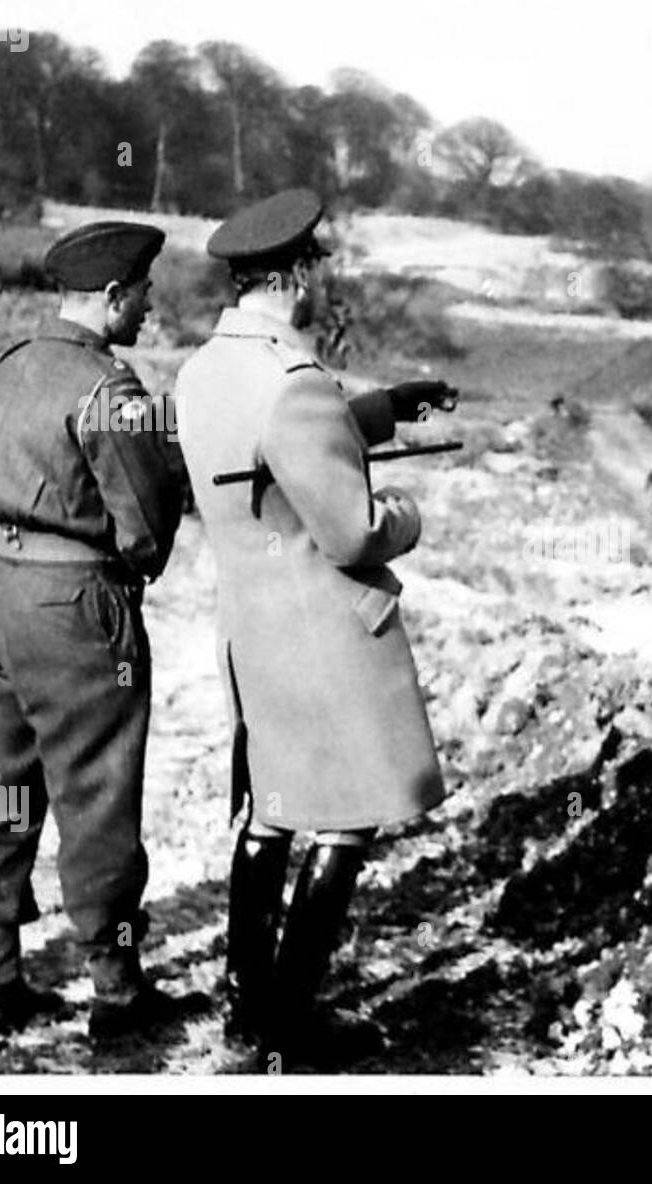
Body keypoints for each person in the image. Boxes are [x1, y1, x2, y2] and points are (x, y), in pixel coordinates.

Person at [174, 189, 456, 1068]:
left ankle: (243, 1012)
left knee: (270, 815)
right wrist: (405, 515)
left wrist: (381, 408)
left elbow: (274, 450)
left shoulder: (204, 372)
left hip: (253, 630)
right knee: (348, 818)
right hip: (327, 638)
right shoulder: (296, 385)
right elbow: (352, 531)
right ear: (295, 276)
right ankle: (289, 1024)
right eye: (315, 273)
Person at [0, 221, 189, 1038]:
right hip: (72, 605)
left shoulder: (9, 363)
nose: (151, 306)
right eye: (145, 292)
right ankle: (117, 993)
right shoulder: (111, 391)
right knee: (97, 794)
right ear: (115, 296)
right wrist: (139, 562)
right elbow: (146, 522)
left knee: (0, 781)